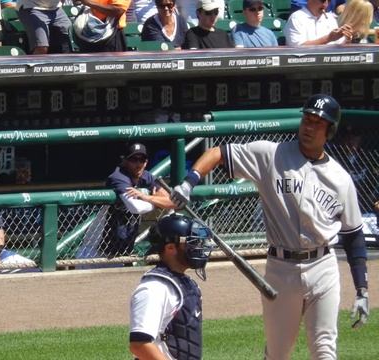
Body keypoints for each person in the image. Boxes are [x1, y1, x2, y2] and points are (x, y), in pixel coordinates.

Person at [170, 94, 370, 359]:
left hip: (323, 267)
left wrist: (362, 289)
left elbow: (354, 237)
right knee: (278, 352)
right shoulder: (270, 155)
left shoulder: (341, 179)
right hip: (281, 268)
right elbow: (218, 153)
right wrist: (189, 182)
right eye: (306, 120)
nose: (309, 127)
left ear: (329, 130)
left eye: (317, 123)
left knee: (324, 349)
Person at [129, 213, 213, 360]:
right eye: (191, 242)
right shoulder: (154, 289)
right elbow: (140, 344)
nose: (198, 248)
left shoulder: (188, 285)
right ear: (170, 248)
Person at [103, 143, 175, 258]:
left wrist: (146, 197)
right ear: (125, 161)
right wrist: (156, 204)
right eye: (133, 159)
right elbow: (136, 207)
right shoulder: (118, 177)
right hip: (98, 248)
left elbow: (171, 201)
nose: (138, 164)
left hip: (125, 246)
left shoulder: (146, 177)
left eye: (142, 159)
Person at [283, 0, 354, 46]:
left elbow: (338, 46)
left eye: (328, 1)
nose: (325, 4)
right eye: (322, 0)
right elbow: (297, 48)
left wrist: (347, 39)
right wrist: (328, 38)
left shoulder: (330, 18)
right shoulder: (297, 17)